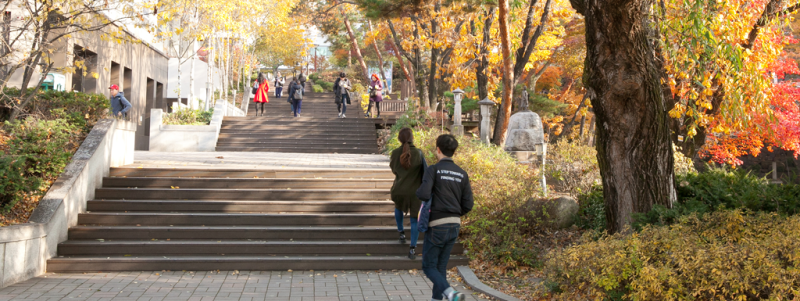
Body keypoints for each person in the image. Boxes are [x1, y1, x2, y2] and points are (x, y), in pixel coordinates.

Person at [416, 134, 474, 301]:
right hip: (454, 225)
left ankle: (450, 293)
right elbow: (468, 204)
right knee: (440, 267)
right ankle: (438, 298)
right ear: (453, 151)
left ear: (438, 150)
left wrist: (418, 191)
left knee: (428, 266)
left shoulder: (433, 170)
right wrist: (454, 213)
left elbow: (424, 193)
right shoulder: (462, 174)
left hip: (437, 225)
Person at [389, 128, 426, 260]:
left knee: (398, 207)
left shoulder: (395, 153)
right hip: (415, 191)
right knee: (414, 219)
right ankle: (412, 249)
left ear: (399, 139)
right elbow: (425, 172)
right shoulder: (419, 153)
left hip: (399, 189)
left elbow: (393, 169)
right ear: (412, 138)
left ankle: (401, 233)